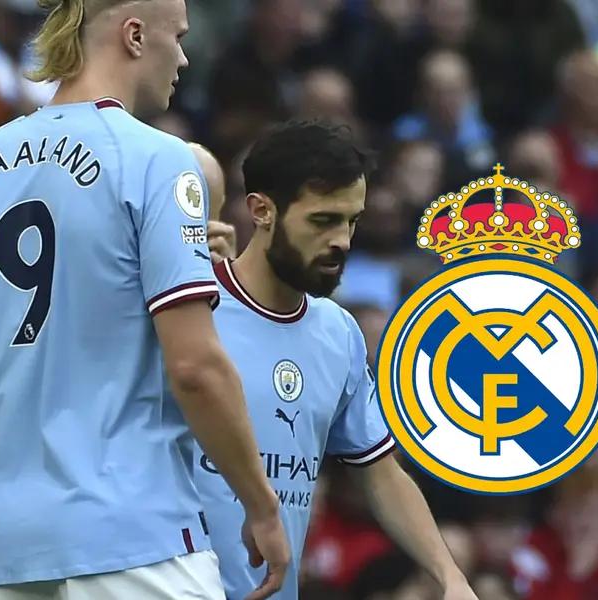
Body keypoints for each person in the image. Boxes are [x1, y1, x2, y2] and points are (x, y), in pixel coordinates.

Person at [0, 0, 290, 598]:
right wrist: (262, 506)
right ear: (134, 35)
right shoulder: (161, 161)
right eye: (177, 37)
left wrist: (21, 466)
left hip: (11, 550)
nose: (183, 57)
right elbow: (196, 367)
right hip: (138, 544)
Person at [193, 120, 478, 600]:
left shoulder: (339, 333)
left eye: (352, 221)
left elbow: (381, 471)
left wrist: (450, 578)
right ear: (261, 211)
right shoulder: (191, 309)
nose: (343, 240)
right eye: (323, 220)